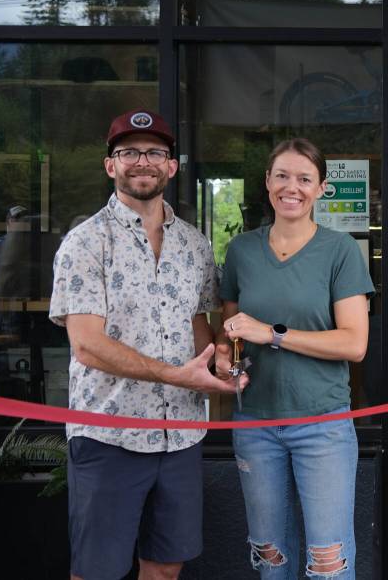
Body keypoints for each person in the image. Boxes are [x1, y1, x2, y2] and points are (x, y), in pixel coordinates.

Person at [49, 109, 240, 580]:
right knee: (98, 572)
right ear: (110, 165)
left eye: (155, 152)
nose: (143, 161)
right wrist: (178, 375)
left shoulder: (195, 245)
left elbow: (199, 321)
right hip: (109, 435)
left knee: (165, 568)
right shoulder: (85, 243)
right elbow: (88, 347)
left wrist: (218, 361)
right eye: (128, 152)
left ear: (171, 167)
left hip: (181, 435)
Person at [215, 138, 374, 580]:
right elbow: (230, 336)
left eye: (305, 178)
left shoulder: (340, 250)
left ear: (321, 188)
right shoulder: (242, 251)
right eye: (282, 175)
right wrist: (226, 363)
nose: (292, 187)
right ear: (267, 182)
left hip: (322, 424)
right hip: (255, 425)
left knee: (329, 563)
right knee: (270, 558)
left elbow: (354, 344)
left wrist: (272, 334)